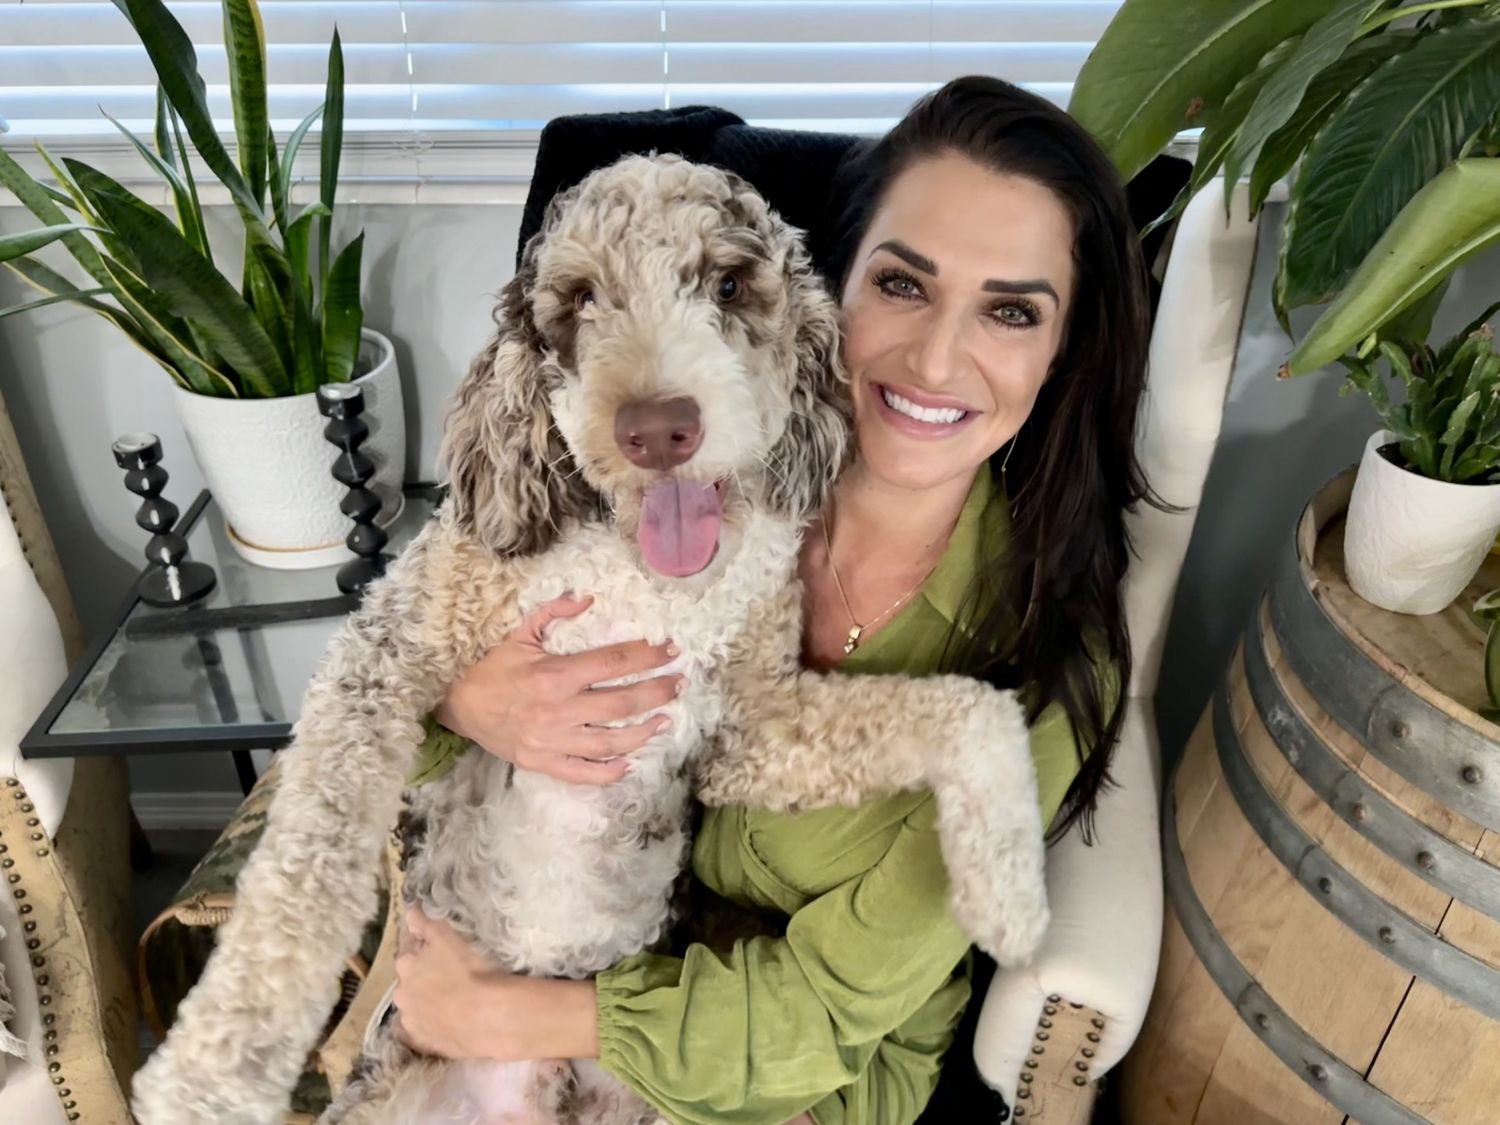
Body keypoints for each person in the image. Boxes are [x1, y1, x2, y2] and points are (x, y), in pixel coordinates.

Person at [390, 74, 1154, 1125]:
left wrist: (517, 1019)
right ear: (820, 291)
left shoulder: (1038, 660)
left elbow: (830, 1012)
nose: (936, 358)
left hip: (781, 1069)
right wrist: (467, 701)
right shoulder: (678, 477)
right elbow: (414, 662)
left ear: (1063, 353)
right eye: (902, 285)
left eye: (1010, 311)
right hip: (550, 934)